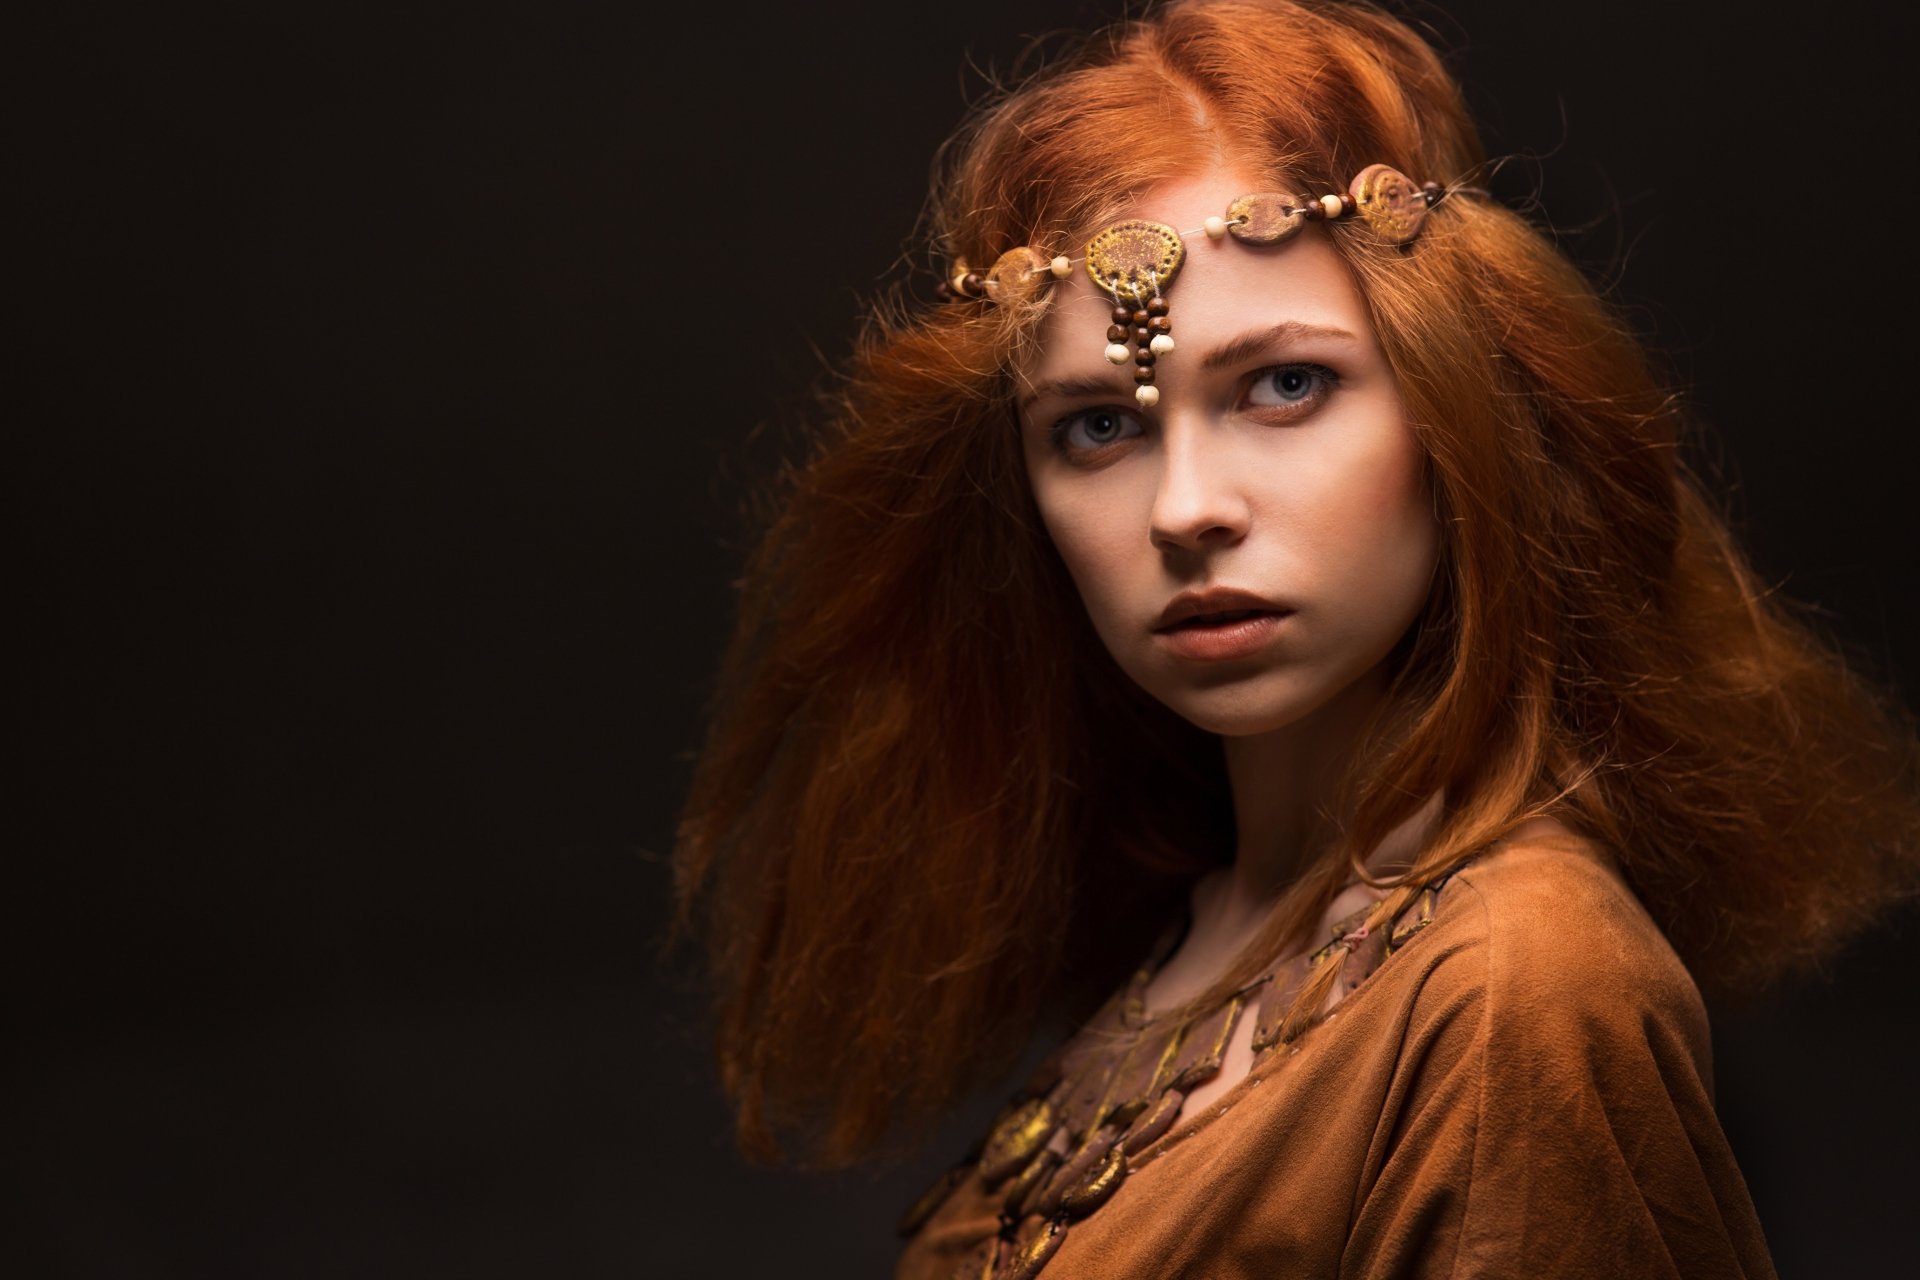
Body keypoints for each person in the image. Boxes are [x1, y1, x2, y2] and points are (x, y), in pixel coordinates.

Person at [673, 1, 1920, 1275]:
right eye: (1098, 426)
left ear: (1462, 413)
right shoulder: (1211, 919)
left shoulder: (1517, 988)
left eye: (1284, 384)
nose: (1184, 508)